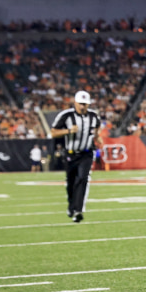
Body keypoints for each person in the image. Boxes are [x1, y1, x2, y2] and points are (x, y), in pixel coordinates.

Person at [50, 90, 102, 223]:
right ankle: (72, 206)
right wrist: (68, 131)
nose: (83, 107)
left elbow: (96, 128)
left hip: (87, 153)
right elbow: (53, 132)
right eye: (80, 104)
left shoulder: (94, 116)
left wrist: (97, 137)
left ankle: (78, 210)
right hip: (71, 154)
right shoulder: (66, 115)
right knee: (71, 182)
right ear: (75, 103)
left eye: (85, 104)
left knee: (83, 178)